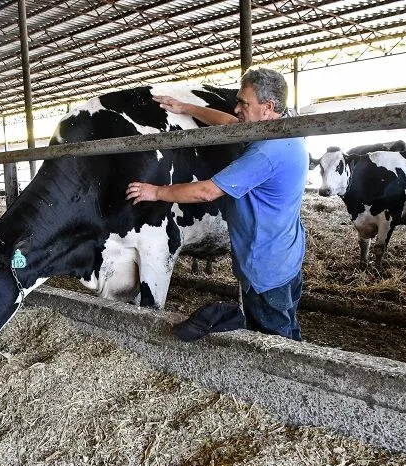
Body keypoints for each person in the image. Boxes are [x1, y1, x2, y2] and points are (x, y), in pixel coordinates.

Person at [126, 68, 307, 341]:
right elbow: (228, 123)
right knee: (287, 326)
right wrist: (185, 107)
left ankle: (284, 381)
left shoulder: (266, 153)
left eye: (243, 103)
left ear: (268, 107)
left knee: (274, 342)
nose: (236, 109)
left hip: (265, 267)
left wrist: (156, 192)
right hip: (286, 255)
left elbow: (207, 192)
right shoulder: (280, 131)